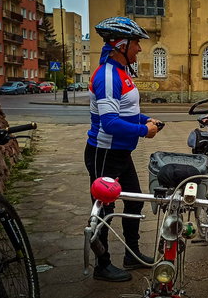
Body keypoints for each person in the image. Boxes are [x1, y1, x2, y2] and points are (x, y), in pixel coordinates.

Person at [84, 16, 161, 282]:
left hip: (120, 153)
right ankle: (101, 265)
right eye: (137, 43)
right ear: (121, 45)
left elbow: (125, 112)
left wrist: (144, 119)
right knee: (103, 210)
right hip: (104, 154)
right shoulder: (107, 76)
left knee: (134, 200)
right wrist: (143, 130)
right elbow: (110, 122)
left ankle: (132, 254)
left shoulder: (121, 72)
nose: (139, 49)